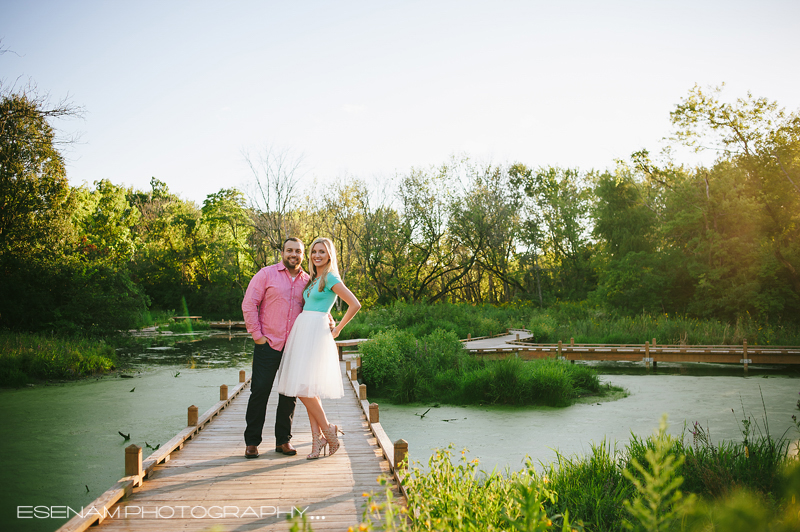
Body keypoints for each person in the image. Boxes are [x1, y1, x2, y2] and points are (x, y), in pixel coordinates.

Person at [276, 237, 361, 459]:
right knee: (308, 388)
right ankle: (318, 442)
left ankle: (328, 430)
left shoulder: (331, 276)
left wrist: (338, 329)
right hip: (303, 329)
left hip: (315, 332)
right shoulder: (314, 278)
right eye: (314, 251)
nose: (317, 255)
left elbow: (355, 304)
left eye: (322, 252)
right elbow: (318, 302)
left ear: (329, 255)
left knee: (303, 387)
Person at [241, 237, 308, 459]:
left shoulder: (308, 281)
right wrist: (257, 336)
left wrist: (329, 321)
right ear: (282, 252)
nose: (294, 254)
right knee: (259, 391)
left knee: (289, 394)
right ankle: (252, 442)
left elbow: (316, 307)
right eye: (290, 250)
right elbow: (249, 303)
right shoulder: (266, 274)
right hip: (267, 344)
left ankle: (283, 441)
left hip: (294, 347)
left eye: (298, 251)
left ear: (303, 255)